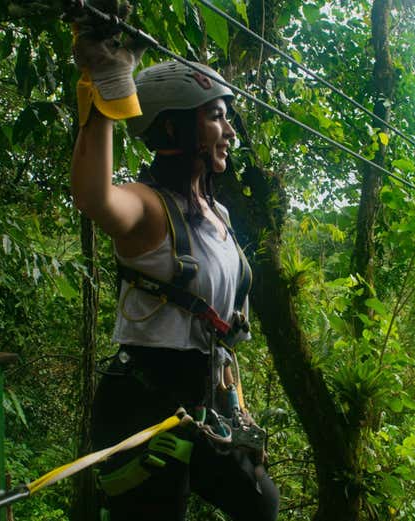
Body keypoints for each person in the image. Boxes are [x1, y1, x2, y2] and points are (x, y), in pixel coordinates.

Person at [70, 13, 279, 521]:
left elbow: (223, 326)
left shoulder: (219, 215)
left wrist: (235, 402)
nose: (229, 130)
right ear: (173, 126)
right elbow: (93, 197)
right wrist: (104, 93)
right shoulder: (145, 207)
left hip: (206, 395)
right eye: (216, 116)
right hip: (144, 400)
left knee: (260, 503)